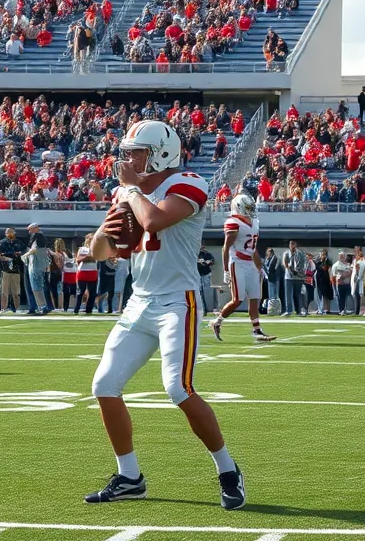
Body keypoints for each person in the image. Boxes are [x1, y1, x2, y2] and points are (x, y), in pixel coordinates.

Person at [85, 120, 245, 510]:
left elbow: (155, 220)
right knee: (104, 385)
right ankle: (129, 476)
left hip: (178, 301)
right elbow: (103, 253)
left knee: (178, 388)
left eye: (137, 152)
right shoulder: (128, 191)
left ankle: (228, 469)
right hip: (139, 300)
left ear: (160, 152)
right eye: (128, 152)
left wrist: (131, 191)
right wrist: (102, 235)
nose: (129, 159)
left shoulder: (188, 182)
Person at [210, 193, 275, 342]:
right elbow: (226, 248)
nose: (251, 211)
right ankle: (217, 322)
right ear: (239, 207)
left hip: (250, 263)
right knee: (238, 299)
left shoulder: (254, 222)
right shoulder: (234, 222)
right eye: (248, 208)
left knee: (254, 297)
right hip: (237, 261)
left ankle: (257, 330)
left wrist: (259, 265)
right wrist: (226, 270)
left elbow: (253, 248)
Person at [22, 224, 51, 315]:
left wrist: (24, 255)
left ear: (35, 229)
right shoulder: (42, 238)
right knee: (38, 287)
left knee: (36, 287)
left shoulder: (38, 236)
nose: (29, 232)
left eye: (30, 229)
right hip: (39, 265)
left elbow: (34, 249)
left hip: (35, 265)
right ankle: (42, 306)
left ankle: (42, 307)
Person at [0, 228, 24, 313]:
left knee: (16, 292)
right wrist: (8, 258)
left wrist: (18, 254)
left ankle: (17, 308)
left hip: (16, 270)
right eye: (9, 232)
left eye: (12, 232)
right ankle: (3, 308)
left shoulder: (18, 242)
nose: (11, 234)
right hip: (5, 270)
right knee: (4, 291)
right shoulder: (2, 242)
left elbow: (23, 251)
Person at [74, 235, 98, 314]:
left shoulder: (96, 249)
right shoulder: (82, 249)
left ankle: (89, 310)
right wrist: (86, 257)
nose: (91, 240)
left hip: (93, 272)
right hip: (83, 272)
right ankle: (76, 309)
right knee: (81, 292)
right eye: (90, 239)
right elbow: (78, 260)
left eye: (93, 239)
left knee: (92, 293)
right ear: (86, 240)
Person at [281, 241, 306, 316]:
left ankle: (298, 311)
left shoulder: (300, 254)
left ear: (296, 244)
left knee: (297, 294)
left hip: (298, 277)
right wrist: (290, 268)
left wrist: (297, 271)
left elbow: (302, 264)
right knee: (288, 294)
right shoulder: (286, 253)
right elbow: (284, 263)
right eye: (290, 244)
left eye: (293, 244)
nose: (291, 246)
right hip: (288, 276)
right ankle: (288, 311)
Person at [197, 243, 215, 313]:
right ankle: (203, 310)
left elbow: (212, 260)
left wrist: (206, 262)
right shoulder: (193, 252)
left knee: (206, 290)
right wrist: (198, 262)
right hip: (197, 274)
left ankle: (207, 309)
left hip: (206, 273)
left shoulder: (206, 254)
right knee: (199, 291)